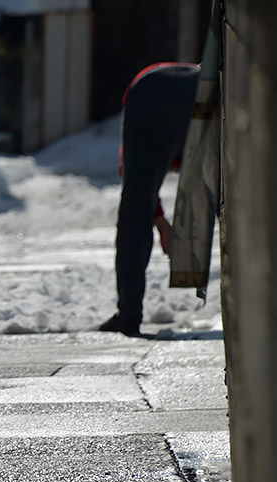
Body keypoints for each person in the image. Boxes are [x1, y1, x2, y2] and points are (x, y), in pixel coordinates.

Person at [99, 62, 201, 336]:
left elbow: (136, 180)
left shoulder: (146, 91)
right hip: (210, 90)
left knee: (134, 211)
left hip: (151, 89)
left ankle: (129, 316)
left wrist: (156, 217)